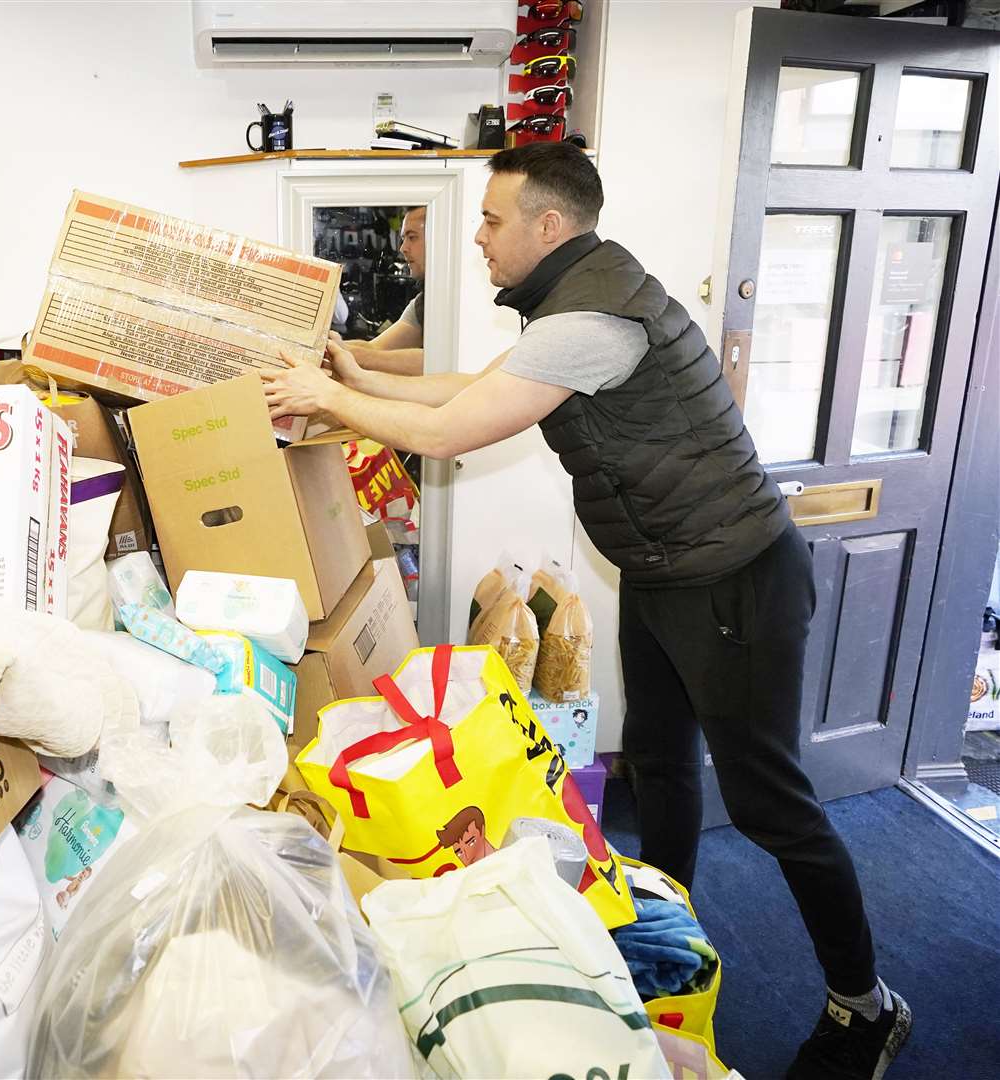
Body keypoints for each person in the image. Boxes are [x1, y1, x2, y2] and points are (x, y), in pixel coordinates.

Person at [262, 142, 909, 1080]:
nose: (477, 238)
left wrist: (332, 395)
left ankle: (866, 1002)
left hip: (736, 578)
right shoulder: (574, 301)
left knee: (773, 803)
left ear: (548, 226)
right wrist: (361, 382)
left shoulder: (594, 318)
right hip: (667, 571)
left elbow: (453, 430)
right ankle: (663, 938)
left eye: (491, 221)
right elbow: (478, 389)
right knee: (660, 761)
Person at [346, 206, 428, 375]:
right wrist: (327, 345)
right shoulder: (424, 303)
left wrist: (339, 352)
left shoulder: (461, 301)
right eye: (403, 239)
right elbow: (375, 347)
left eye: (412, 237)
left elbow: (432, 362)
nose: (403, 248)